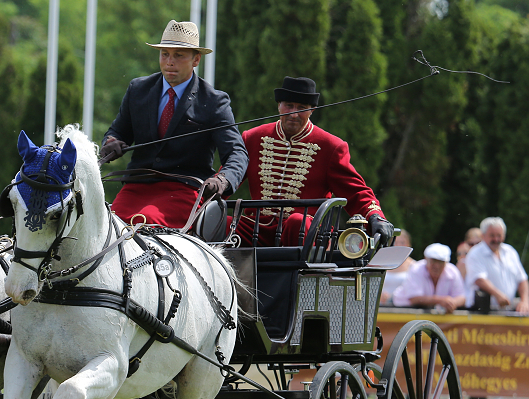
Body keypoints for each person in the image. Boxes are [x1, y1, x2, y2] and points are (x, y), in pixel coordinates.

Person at [99, 19, 248, 228]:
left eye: (179, 55)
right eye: (165, 54)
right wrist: (111, 141)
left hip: (185, 190)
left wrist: (222, 179)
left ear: (196, 59)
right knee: (108, 228)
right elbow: (118, 131)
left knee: (144, 224)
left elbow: (237, 153)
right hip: (137, 185)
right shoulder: (137, 89)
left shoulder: (214, 101)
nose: (170, 62)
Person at [235, 76, 394, 247]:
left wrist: (375, 215)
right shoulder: (252, 137)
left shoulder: (331, 146)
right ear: (279, 105)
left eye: (302, 108)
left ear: (312, 110)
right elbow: (230, 176)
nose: (294, 114)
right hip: (257, 229)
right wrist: (203, 200)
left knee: (297, 222)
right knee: (217, 222)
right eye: (289, 105)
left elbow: (355, 191)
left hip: (305, 234)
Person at [464, 217, 529, 314]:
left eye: (499, 235)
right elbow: (479, 279)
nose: (496, 239)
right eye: (492, 235)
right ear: (483, 235)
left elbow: (522, 279)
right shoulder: (475, 254)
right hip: (480, 313)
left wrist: (525, 301)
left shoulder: (510, 252)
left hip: (506, 310)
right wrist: (497, 294)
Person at [392, 243, 465, 313]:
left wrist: (451, 303)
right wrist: (441, 301)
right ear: (426, 259)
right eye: (434, 261)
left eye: (441, 262)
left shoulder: (453, 271)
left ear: (446, 263)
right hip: (400, 309)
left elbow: (462, 297)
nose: (437, 266)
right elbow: (414, 298)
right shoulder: (416, 269)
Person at [381, 229, 416, 304]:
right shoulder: (381, 264)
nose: (399, 245)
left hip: (403, 308)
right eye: (396, 242)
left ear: (409, 245)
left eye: (402, 243)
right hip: (382, 307)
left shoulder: (415, 266)